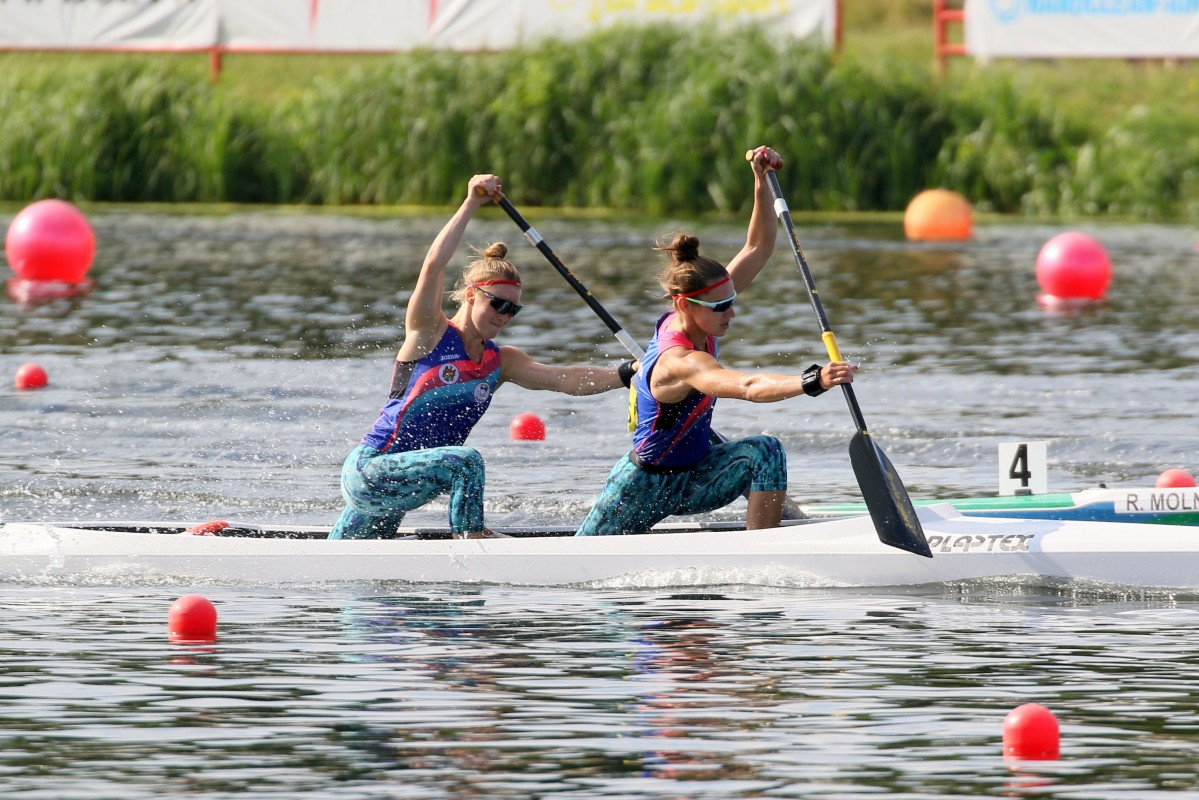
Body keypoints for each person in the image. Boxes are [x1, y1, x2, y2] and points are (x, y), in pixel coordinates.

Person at [330, 173, 636, 540]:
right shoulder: (429, 331)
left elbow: (567, 380)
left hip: (409, 485)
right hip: (371, 470)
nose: (504, 315)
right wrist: (471, 202)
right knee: (467, 462)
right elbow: (433, 266)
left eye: (513, 310)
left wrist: (629, 372)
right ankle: (472, 541)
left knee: (346, 566)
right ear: (472, 295)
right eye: (498, 304)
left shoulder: (500, 361)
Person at [576, 146, 856, 536]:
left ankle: (762, 549)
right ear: (683, 305)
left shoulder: (702, 309)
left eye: (731, 300)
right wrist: (813, 380)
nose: (731, 312)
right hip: (642, 487)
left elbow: (758, 248)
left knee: (765, 451)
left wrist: (760, 181)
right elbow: (749, 386)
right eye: (721, 306)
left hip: (696, 476)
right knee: (579, 558)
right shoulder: (679, 360)